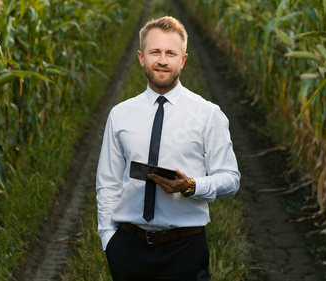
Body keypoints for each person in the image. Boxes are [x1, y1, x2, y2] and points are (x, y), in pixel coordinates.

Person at [96, 15, 240, 281]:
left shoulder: (208, 114)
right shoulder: (120, 114)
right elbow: (108, 182)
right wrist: (109, 239)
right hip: (129, 247)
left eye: (171, 53)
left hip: (185, 248)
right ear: (141, 57)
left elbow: (230, 179)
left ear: (182, 60)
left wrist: (192, 186)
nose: (162, 60)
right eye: (155, 52)